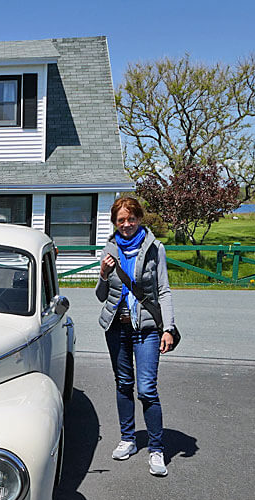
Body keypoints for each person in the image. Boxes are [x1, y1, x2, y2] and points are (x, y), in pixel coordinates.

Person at [95, 196, 176, 476]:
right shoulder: (109, 248)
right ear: (115, 223)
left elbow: (163, 291)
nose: (126, 225)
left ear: (139, 218)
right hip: (117, 327)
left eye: (131, 219)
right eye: (121, 220)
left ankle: (156, 449)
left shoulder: (155, 249)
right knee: (123, 384)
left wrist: (169, 328)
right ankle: (128, 439)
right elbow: (101, 296)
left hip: (148, 329)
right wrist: (103, 275)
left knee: (147, 389)